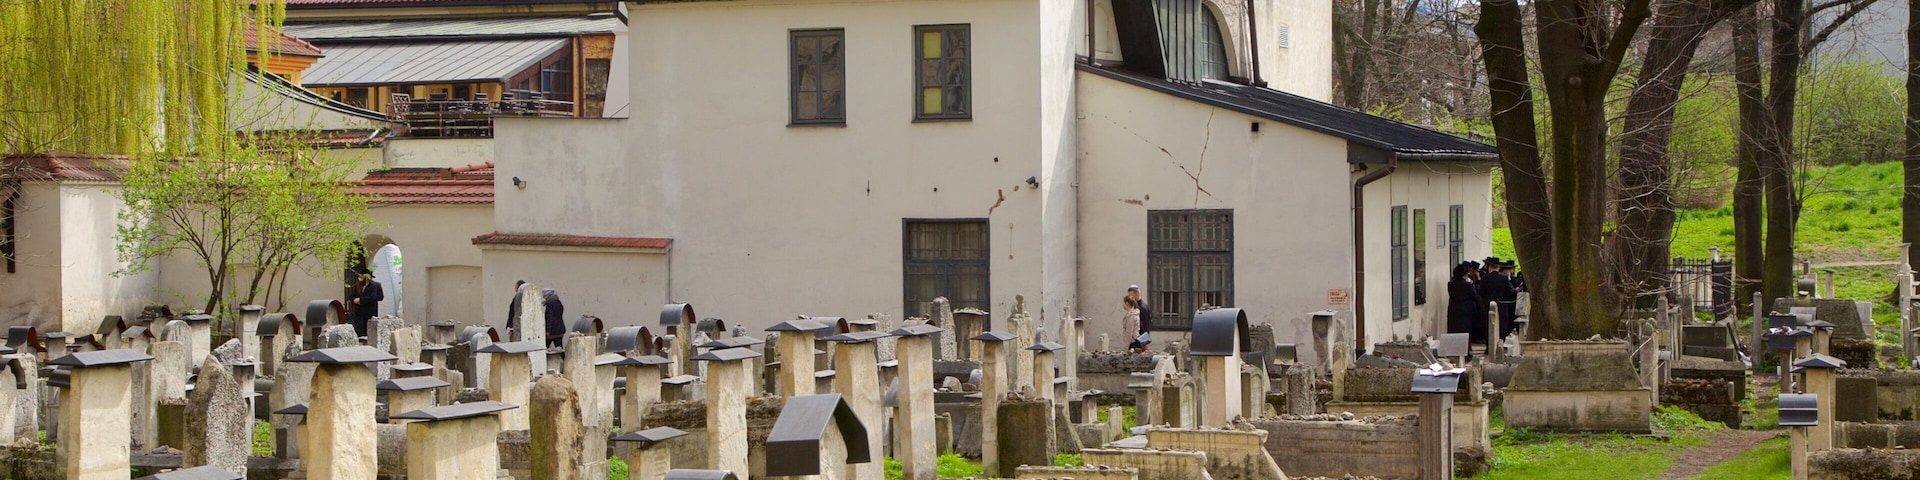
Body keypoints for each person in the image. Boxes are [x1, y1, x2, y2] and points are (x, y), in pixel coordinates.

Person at [1446, 263, 1482, 343]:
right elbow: (1475, 296)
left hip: (1453, 309)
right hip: (1465, 311)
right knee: (1465, 330)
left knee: (1454, 329)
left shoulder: (1450, 284)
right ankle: (1465, 350)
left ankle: (1454, 347)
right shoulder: (1467, 285)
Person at [350, 272, 384, 338]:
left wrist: (361, 300)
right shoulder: (358, 285)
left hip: (370, 311)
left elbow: (377, 297)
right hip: (359, 311)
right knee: (358, 328)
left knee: (368, 329)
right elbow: (352, 296)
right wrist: (354, 300)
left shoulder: (375, 285)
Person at [1126, 285, 1152, 351]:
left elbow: (1143, 326)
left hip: (1140, 339)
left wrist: (1142, 342)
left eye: (1131, 296)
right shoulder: (1137, 306)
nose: (1130, 298)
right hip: (1138, 339)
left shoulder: (1142, 308)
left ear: (1137, 294)